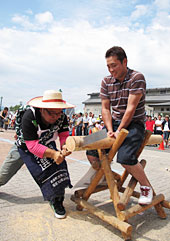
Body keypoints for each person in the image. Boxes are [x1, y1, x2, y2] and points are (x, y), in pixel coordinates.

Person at [87, 46, 153, 205]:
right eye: (108, 66)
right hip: (114, 123)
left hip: (134, 123)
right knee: (90, 150)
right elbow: (105, 109)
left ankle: (146, 187)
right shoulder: (106, 81)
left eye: (114, 65)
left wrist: (118, 131)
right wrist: (110, 130)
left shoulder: (137, 77)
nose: (111, 70)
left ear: (124, 62)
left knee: (125, 158)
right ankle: (110, 178)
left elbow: (131, 109)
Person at [17, 90, 74, 219]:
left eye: (59, 112)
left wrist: (65, 147)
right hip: (24, 147)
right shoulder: (29, 116)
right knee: (4, 174)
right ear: (42, 109)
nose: (56, 117)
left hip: (47, 144)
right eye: (52, 113)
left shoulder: (62, 117)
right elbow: (32, 146)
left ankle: (57, 200)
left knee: (59, 168)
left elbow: (64, 135)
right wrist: (53, 154)